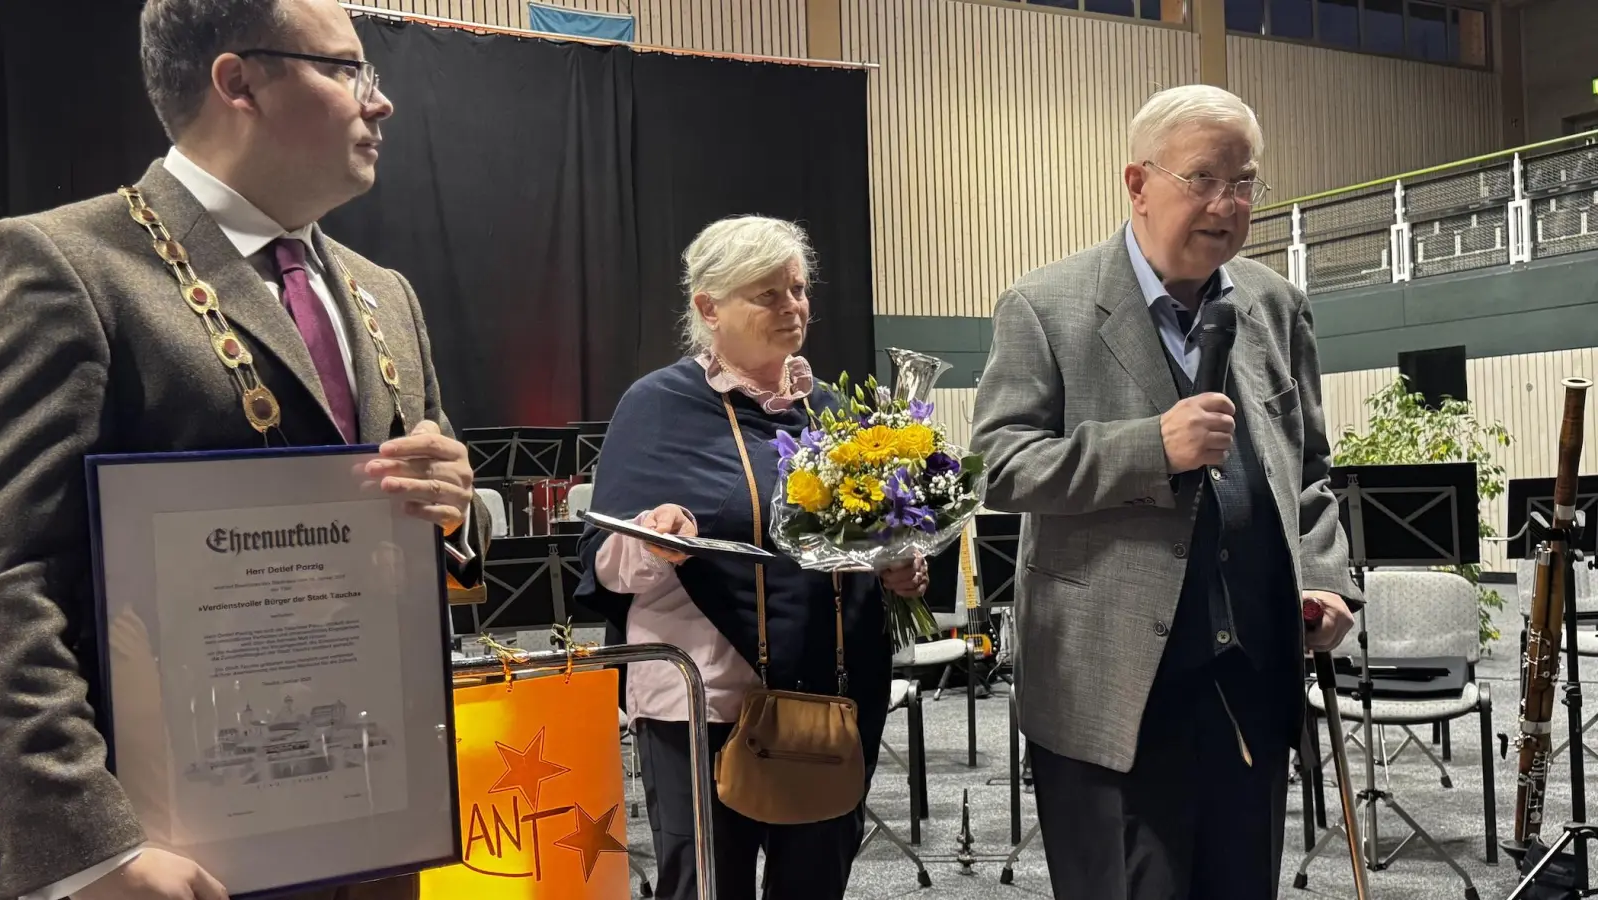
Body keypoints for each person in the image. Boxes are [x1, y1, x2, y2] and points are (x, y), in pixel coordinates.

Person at [0, 1, 489, 899]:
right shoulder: (70, 266)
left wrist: (455, 505)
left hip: (376, 824)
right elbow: (9, 574)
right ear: (239, 82)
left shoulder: (387, 295)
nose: (378, 103)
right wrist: (88, 849)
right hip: (171, 854)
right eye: (347, 71)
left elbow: (447, 516)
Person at [969, 84, 1361, 900]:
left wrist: (1323, 577)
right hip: (1110, 688)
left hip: (1250, 682)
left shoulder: (1278, 306)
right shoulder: (1043, 307)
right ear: (1137, 184)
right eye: (1203, 179)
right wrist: (1152, 447)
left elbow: (1309, 472)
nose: (1227, 203)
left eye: (1245, 181)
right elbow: (999, 465)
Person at [574, 215, 926, 900]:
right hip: (701, 705)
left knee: (815, 886)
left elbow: (859, 544)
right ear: (709, 307)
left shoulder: (833, 413)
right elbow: (603, 563)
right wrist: (652, 540)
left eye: (797, 289)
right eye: (767, 295)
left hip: (827, 701)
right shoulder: (657, 406)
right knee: (707, 889)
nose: (793, 307)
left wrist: (896, 573)